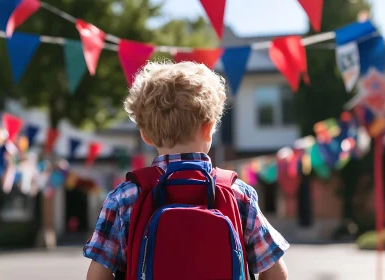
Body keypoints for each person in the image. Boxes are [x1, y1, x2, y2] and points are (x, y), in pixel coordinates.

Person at [84, 61, 289, 280]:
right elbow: (276, 273)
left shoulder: (125, 197)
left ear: (145, 135)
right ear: (209, 128)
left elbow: (97, 276)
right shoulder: (238, 194)